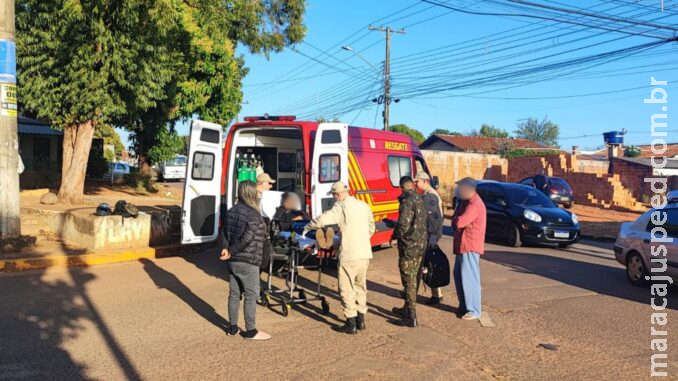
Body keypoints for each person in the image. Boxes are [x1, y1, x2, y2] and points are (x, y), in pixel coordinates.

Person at [303, 182, 375, 334]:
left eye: (335, 196)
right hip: (365, 254)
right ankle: (361, 320)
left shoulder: (340, 207)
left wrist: (309, 226)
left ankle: (351, 323)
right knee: (361, 286)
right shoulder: (364, 205)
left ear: (337, 195)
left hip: (349, 255)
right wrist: (359, 240)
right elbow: (371, 228)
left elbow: (323, 219)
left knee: (346, 288)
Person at [220, 180, 271, 340]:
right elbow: (247, 239)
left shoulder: (232, 210)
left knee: (234, 294)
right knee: (251, 294)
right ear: (250, 193)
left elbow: (225, 232)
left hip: (233, 260)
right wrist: (231, 250)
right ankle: (251, 331)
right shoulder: (254, 214)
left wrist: (226, 249)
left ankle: (232, 327)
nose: (259, 194)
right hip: (248, 260)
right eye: (257, 191)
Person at [390, 176, 428, 327]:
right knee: (412, 276)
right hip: (420, 245)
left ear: (401, 187)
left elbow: (403, 224)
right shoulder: (419, 199)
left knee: (409, 279)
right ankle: (406, 308)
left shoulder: (407, 200)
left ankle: (411, 315)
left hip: (409, 247)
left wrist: (394, 236)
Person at [450, 177, 487, 321]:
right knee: (459, 274)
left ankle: (474, 310)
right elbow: (455, 217)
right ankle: (465, 305)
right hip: (462, 245)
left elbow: (459, 221)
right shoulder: (465, 203)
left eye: (460, 188)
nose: (458, 191)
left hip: (470, 246)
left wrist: (456, 220)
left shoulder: (474, 205)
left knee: (469, 277)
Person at [414, 172, 445, 305]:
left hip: (430, 236)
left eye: (417, 182)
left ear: (425, 181)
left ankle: (436, 295)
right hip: (430, 235)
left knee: (430, 265)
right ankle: (436, 293)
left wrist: (431, 236)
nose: (416, 184)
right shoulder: (427, 194)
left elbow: (434, 219)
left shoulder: (431, 196)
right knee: (428, 265)